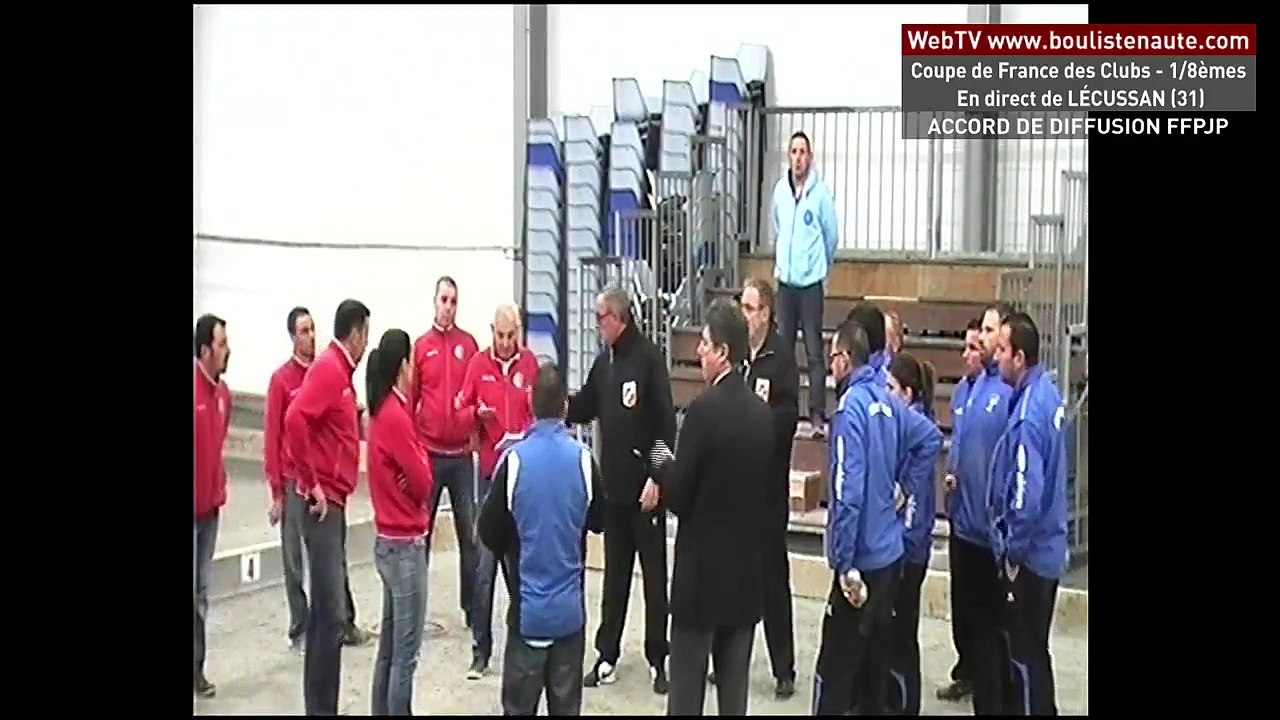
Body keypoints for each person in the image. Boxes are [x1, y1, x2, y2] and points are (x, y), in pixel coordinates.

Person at [646, 298, 774, 716]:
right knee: (734, 700)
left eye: (704, 344)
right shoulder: (762, 415)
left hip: (701, 582)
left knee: (685, 699)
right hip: (744, 579)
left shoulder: (702, 412)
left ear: (722, 352)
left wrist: (662, 462)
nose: (698, 352)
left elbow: (681, 496)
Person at [477, 364, 606, 716]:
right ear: (565, 407)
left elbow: (488, 531)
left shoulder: (514, 462)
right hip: (569, 617)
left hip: (528, 616)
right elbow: (599, 521)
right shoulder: (583, 460)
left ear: (531, 405)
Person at [566, 285, 676, 694]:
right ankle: (607, 653)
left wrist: (657, 477)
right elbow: (584, 407)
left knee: (654, 580)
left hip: (645, 496)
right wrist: (553, 403)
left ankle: (658, 657)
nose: (597, 326)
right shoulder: (604, 365)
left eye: (601, 318)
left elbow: (667, 428)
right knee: (614, 581)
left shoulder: (648, 361)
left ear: (619, 318)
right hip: (613, 496)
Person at [284, 299, 372, 716]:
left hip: (335, 501)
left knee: (327, 613)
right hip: (323, 506)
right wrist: (312, 482)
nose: (366, 343)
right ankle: (321, 708)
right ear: (355, 334)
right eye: (366, 335)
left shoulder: (341, 375)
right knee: (330, 614)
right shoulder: (329, 369)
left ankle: (323, 706)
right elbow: (294, 419)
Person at [811, 320, 903, 717]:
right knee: (874, 675)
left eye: (832, 358)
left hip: (862, 562)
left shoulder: (851, 411)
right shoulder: (888, 401)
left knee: (834, 671)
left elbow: (848, 492)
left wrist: (844, 563)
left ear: (846, 360)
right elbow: (924, 441)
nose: (830, 366)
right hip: (889, 554)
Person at [455, 304, 540, 678]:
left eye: (511, 336)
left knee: (519, 565)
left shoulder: (530, 365)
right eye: (500, 336)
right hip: (489, 477)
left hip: (520, 480)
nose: (505, 343)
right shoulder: (477, 364)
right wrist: (477, 414)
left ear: (519, 333)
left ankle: (522, 641)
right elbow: (459, 410)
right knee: (484, 565)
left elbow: (540, 415)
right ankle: (480, 649)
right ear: (492, 331)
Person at [989, 312, 1068, 716]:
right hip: (1050, 548)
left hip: (1033, 557)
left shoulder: (1027, 417)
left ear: (1019, 357)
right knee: (1036, 651)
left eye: (1001, 349)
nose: (995, 356)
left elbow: (1025, 494)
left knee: (1023, 656)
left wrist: (1012, 554)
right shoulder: (1048, 394)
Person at [944, 302, 1014, 715]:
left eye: (989, 331)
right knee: (975, 628)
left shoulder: (1006, 394)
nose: (982, 339)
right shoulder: (970, 390)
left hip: (992, 535)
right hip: (964, 526)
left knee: (995, 635)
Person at [364, 329, 436, 715]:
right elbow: (423, 482)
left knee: (390, 647)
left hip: (389, 540)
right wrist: (419, 466)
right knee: (404, 654)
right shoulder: (395, 415)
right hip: (404, 545)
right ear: (403, 365)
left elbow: (417, 471)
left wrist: (417, 466)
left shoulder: (383, 410)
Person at [737, 277, 799, 699]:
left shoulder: (781, 359)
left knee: (773, 582)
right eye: (741, 306)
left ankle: (784, 667)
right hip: (735, 490)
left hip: (767, 492)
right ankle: (729, 660)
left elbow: (786, 417)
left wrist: (751, 427)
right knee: (732, 581)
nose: (743, 315)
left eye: (749, 308)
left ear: (765, 314)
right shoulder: (738, 355)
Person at [412, 276, 483, 643]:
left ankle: (472, 608)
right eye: (444, 299)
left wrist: (471, 425)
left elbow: (476, 393)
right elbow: (409, 402)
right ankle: (416, 606)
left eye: (454, 300)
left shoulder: (468, 345)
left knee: (468, 536)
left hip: (460, 457)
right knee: (420, 534)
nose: (449, 306)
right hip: (429, 453)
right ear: (434, 301)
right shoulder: (420, 347)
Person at [885, 353, 945, 715]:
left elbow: (916, 507)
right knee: (894, 635)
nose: (885, 394)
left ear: (906, 393)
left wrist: (904, 548)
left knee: (903, 638)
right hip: (905, 547)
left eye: (891, 388)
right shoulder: (903, 428)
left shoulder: (918, 432)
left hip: (910, 552)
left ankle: (906, 707)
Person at [771, 130, 840, 437]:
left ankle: (816, 413)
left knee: (814, 351)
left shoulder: (821, 194)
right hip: (786, 284)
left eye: (803, 152)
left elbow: (831, 236)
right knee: (783, 350)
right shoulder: (780, 192)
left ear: (810, 158)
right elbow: (778, 226)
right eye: (793, 152)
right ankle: (784, 408)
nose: (798, 158)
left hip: (810, 284)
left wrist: (819, 267)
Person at [938, 317, 984, 700]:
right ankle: (965, 668)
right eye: (964, 347)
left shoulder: (995, 393)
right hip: (959, 512)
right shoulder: (961, 394)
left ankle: (985, 675)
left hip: (981, 518)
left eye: (972, 347)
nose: (965, 354)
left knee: (981, 606)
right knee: (961, 603)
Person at [194, 313, 231, 699]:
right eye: (221, 344)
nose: (227, 350)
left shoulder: (224, 396)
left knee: (201, 593)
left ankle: (197, 669)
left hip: (209, 511)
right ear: (205, 350)